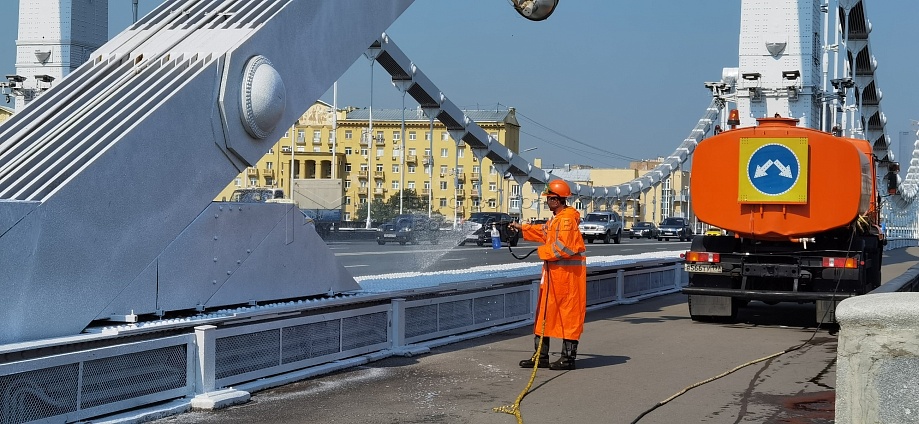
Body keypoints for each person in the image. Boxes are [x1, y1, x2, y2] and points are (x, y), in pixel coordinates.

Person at [508, 180, 587, 370]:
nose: (546, 202)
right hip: (555, 276)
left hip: (567, 278)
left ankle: (567, 359)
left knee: (567, 316)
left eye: (549, 199)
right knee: (544, 314)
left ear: (557, 200)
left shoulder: (566, 220)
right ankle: (540, 357)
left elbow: (565, 248)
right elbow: (545, 232)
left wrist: (543, 252)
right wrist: (521, 228)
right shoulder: (557, 218)